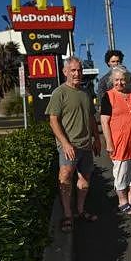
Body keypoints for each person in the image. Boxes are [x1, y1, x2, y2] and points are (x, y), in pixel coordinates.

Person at [45, 56, 102, 233]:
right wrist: (65, 143)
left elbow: (91, 118)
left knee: (84, 180)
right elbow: (53, 120)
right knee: (65, 177)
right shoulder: (59, 93)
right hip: (69, 146)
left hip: (85, 146)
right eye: (73, 70)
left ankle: (80, 210)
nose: (77, 73)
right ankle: (68, 215)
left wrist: (97, 138)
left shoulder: (85, 93)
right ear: (65, 72)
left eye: (79, 70)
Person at [100, 66, 131, 215]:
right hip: (119, 141)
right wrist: (109, 142)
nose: (119, 83)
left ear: (127, 81)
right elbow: (105, 122)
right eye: (116, 80)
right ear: (112, 81)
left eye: (122, 80)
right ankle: (122, 201)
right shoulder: (108, 96)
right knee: (121, 172)